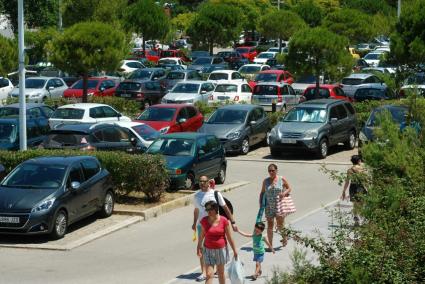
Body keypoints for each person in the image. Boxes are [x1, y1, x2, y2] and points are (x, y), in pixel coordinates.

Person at [192, 176, 237, 282]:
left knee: (221, 272)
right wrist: (194, 223)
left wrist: (233, 222)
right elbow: (196, 210)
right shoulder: (197, 196)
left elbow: (225, 207)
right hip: (202, 225)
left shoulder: (215, 194)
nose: (202, 183)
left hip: (217, 225)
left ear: (209, 183)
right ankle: (204, 271)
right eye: (200, 181)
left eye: (204, 181)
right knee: (203, 248)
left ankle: (216, 269)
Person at [197, 201, 238, 284]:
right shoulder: (204, 221)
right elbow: (201, 236)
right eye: (207, 210)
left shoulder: (224, 220)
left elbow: (229, 237)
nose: (208, 212)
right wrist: (198, 247)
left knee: (221, 273)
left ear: (216, 209)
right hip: (208, 250)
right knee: (209, 274)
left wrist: (235, 250)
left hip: (221, 250)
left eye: (210, 209)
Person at [260, 163, 292, 248]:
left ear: (276, 171)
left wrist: (284, 193)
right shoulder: (265, 181)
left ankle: (284, 237)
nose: (271, 172)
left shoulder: (281, 179)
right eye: (269, 171)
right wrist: (261, 204)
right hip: (269, 206)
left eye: (272, 170)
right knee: (270, 225)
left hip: (279, 206)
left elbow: (289, 188)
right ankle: (270, 245)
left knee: (280, 225)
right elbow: (262, 192)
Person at [341, 155, 366, 226]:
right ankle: (361, 218)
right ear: (359, 161)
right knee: (362, 203)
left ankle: (356, 220)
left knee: (355, 204)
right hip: (361, 187)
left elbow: (347, 181)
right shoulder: (362, 169)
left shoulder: (349, 170)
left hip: (352, 187)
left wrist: (343, 191)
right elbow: (365, 180)